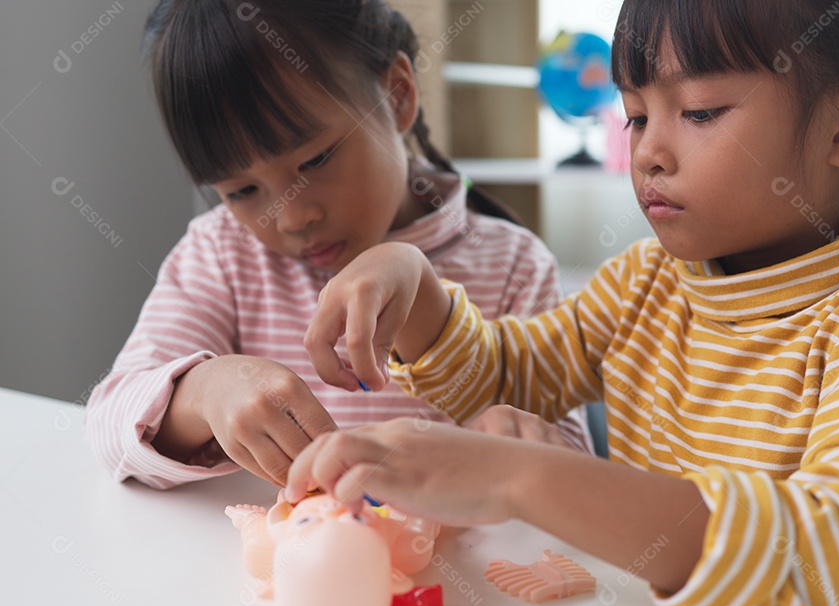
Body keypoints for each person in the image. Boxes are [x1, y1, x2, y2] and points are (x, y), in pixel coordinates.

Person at [285, 0, 839, 606]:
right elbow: (506, 374)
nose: (648, 154)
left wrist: (521, 479)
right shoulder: (647, 282)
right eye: (635, 116)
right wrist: (410, 284)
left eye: (699, 111)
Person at [84, 0, 591, 491]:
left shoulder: (512, 266)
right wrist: (207, 390)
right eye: (241, 191)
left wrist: (509, 441)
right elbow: (111, 421)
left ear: (396, 95)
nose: (293, 216)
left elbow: (581, 485)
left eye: (316, 161)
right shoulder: (223, 252)